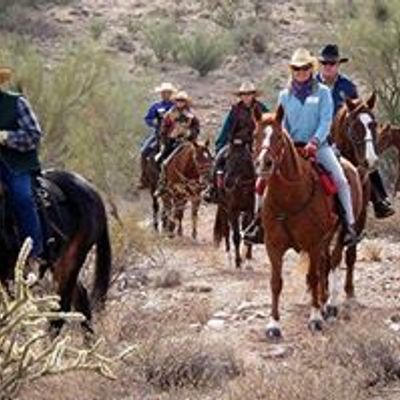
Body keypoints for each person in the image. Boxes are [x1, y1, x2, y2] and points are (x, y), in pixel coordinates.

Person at [245, 48, 358, 246]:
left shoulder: (322, 92)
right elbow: (282, 124)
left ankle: (349, 225)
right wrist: (284, 145)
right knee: (261, 181)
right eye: (297, 68)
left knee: (340, 178)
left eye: (305, 68)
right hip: (290, 147)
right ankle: (257, 223)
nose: (301, 72)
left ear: (311, 69)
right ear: (292, 70)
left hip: (319, 146)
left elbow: (325, 121)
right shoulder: (284, 95)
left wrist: (314, 142)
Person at [316, 44, 394, 219]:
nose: (329, 66)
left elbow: (359, 112)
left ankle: (380, 199)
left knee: (366, 158)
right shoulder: (312, 85)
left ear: (338, 65)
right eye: (325, 63)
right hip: (317, 137)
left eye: (332, 63)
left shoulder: (348, 86)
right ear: (321, 65)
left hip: (344, 137)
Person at [0, 66, 44, 269]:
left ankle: (33, 254)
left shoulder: (15, 102)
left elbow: (34, 135)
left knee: (22, 197)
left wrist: (7, 137)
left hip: (14, 164)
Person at [203, 82, 269, 203]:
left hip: (255, 144)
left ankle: (270, 193)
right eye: (244, 94)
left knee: (267, 163)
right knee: (218, 159)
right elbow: (226, 128)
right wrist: (220, 144)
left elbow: (268, 126)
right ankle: (212, 189)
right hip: (236, 143)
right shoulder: (235, 110)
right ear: (240, 96)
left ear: (253, 95)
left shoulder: (262, 109)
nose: (246, 96)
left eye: (249, 94)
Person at [155, 90, 200, 195]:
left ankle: (201, 184)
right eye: (178, 101)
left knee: (200, 159)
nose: (180, 103)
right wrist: (168, 137)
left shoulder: (191, 116)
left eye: (182, 101)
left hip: (187, 141)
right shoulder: (169, 115)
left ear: (186, 102)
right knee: (163, 161)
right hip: (172, 142)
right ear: (175, 102)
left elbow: (196, 128)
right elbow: (163, 129)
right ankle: (162, 183)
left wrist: (190, 134)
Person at [137, 82, 176, 189]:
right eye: (164, 93)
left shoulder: (176, 106)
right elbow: (148, 118)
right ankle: (144, 178)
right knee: (143, 152)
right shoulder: (156, 106)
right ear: (161, 94)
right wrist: (155, 124)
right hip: (159, 134)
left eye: (168, 93)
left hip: (175, 134)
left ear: (171, 93)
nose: (166, 94)